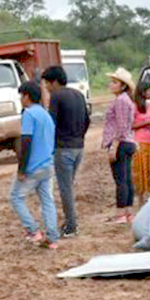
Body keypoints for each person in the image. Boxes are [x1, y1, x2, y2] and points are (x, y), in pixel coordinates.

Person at [9, 81, 59, 249]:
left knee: (16, 197)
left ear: (27, 96)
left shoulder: (29, 114)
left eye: (21, 96)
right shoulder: (46, 115)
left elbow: (26, 142)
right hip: (48, 164)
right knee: (47, 201)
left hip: (33, 166)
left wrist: (21, 169)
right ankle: (52, 238)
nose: (20, 99)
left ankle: (33, 230)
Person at [42, 65, 90, 238]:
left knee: (65, 189)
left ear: (54, 82)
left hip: (63, 148)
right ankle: (69, 223)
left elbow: (51, 123)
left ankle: (71, 226)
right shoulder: (78, 94)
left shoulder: (56, 96)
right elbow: (87, 120)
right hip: (79, 147)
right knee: (68, 186)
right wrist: (79, 137)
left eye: (47, 83)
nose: (46, 87)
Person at [101, 67, 137, 224]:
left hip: (121, 143)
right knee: (126, 178)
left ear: (123, 86)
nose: (111, 84)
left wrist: (114, 146)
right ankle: (128, 212)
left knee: (121, 179)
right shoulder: (126, 100)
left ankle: (121, 213)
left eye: (114, 82)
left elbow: (121, 126)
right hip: (127, 142)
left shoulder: (121, 101)